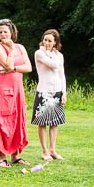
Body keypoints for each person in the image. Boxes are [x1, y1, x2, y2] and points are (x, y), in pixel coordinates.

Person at [0, 19, 33, 168]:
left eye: (5, 32)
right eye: (0, 32)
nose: (2, 34)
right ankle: (2, 156)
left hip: (18, 89)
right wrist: (11, 53)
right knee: (3, 120)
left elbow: (28, 67)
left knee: (18, 119)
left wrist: (13, 68)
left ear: (12, 32)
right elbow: (6, 64)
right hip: (3, 89)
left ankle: (16, 155)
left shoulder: (21, 47)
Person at [32, 29, 67, 161]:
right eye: (45, 40)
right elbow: (53, 66)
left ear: (55, 42)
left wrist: (64, 92)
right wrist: (49, 54)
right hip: (44, 92)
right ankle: (45, 151)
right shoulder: (39, 53)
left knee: (54, 122)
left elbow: (61, 74)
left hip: (57, 91)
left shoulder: (59, 55)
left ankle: (52, 149)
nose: (47, 43)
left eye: (50, 41)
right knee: (42, 122)